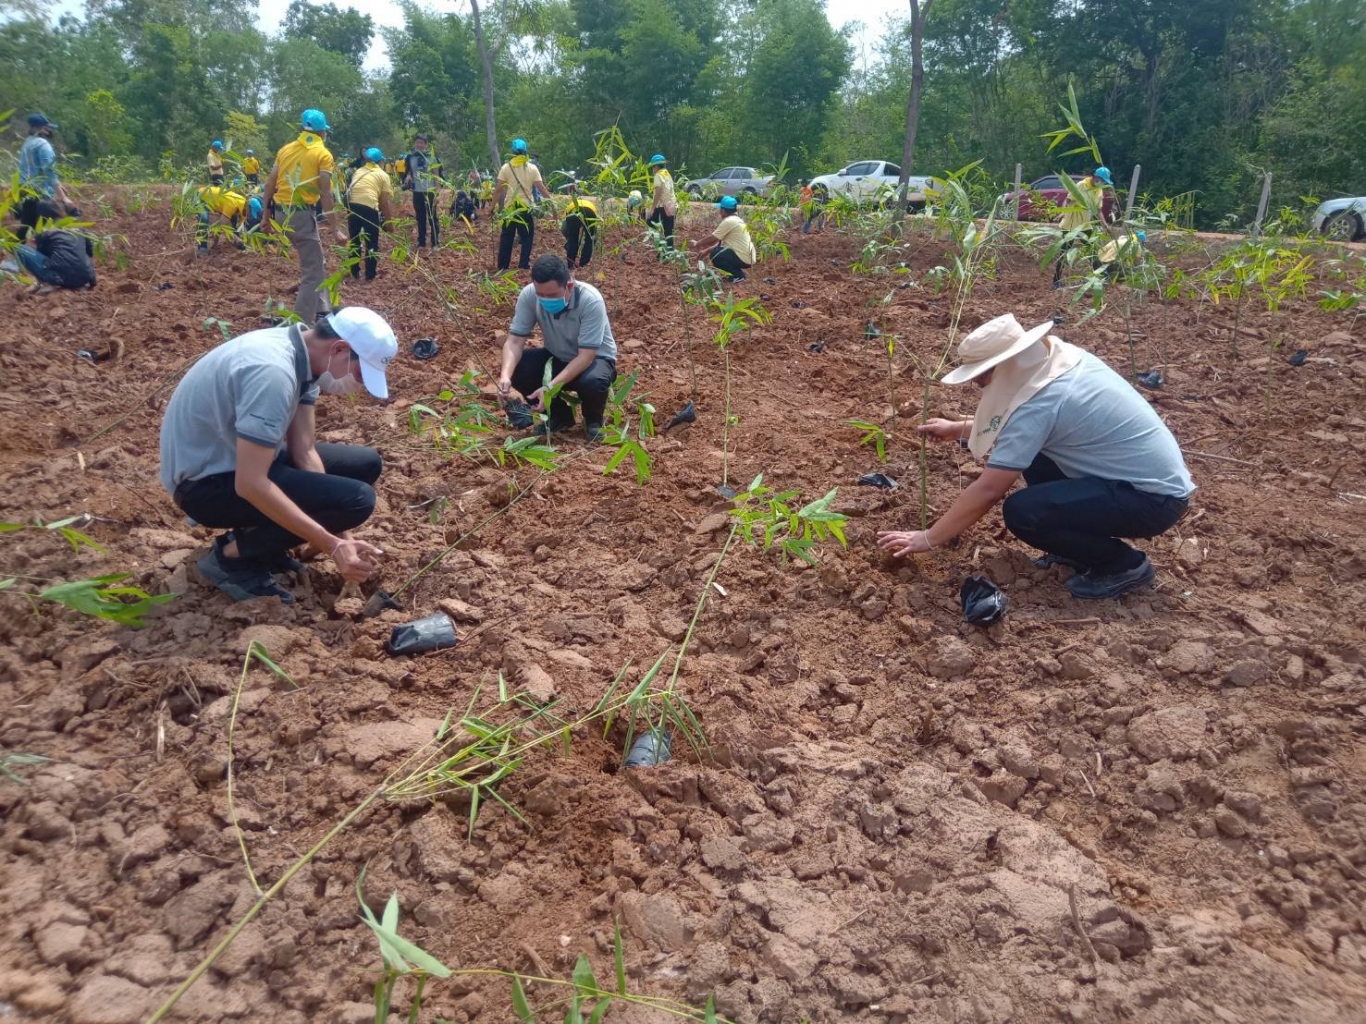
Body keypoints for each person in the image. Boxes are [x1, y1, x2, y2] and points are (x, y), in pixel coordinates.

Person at [876, 313, 1195, 600]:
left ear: (1006, 364)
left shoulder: (1042, 401)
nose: (976, 383)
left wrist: (929, 538)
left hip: (1153, 502)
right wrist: (959, 428)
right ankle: (1075, 550)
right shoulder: (1059, 359)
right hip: (1138, 482)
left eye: (981, 375)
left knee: (1023, 512)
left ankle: (1123, 566)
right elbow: (1031, 426)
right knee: (1037, 457)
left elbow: (990, 489)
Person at [159, 308, 397, 603]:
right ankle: (231, 557)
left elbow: (304, 450)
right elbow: (250, 484)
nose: (358, 384)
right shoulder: (273, 373)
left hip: (233, 462)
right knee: (357, 499)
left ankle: (262, 544)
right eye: (360, 373)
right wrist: (330, 544)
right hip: (203, 484)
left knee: (363, 465)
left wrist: (341, 534)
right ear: (339, 349)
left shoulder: (303, 358)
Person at [497, 254, 617, 442]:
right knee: (518, 368)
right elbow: (513, 342)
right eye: (541, 294)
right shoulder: (529, 295)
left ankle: (593, 421)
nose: (545, 300)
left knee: (594, 381)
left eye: (551, 295)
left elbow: (586, 356)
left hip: (594, 362)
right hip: (558, 357)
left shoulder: (590, 300)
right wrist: (505, 377)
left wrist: (550, 387)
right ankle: (560, 416)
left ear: (568, 286)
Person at [261, 108, 347, 325]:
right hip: (300, 215)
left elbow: (270, 183)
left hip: (281, 213)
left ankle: (324, 311)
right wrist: (335, 227)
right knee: (312, 274)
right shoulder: (323, 154)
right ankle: (298, 325)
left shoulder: (286, 150)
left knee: (317, 262)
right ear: (322, 132)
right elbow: (325, 192)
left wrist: (265, 215)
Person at [14, 199, 96, 293]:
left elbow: (42, 256)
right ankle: (76, 283)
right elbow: (89, 252)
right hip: (85, 278)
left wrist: (32, 241)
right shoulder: (79, 229)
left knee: (20, 248)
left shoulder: (46, 233)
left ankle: (46, 282)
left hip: (59, 278)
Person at [1054, 166, 1112, 288]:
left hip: (1085, 225)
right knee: (1064, 252)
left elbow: (1098, 210)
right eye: (1101, 179)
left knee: (1092, 251)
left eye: (1104, 181)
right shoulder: (1081, 185)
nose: (1101, 182)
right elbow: (1068, 200)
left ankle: (1102, 276)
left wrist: (1105, 225)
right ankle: (1056, 280)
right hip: (1071, 224)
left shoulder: (1099, 190)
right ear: (1095, 176)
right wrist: (1063, 212)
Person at [492, 137, 544, 272]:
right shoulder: (532, 168)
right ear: (526, 151)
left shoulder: (506, 167)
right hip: (525, 206)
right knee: (527, 237)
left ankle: (503, 266)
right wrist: (552, 204)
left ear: (512, 151)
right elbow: (541, 188)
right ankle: (523, 265)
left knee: (507, 236)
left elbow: (498, 190)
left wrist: (491, 207)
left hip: (510, 207)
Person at [17, 113, 71, 241]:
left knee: (26, 227)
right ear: (40, 128)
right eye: (47, 128)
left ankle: (13, 255)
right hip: (41, 194)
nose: (49, 131)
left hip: (26, 192)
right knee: (49, 230)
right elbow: (50, 171)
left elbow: (25, 170)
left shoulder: (27, 144)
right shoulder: (43, 145)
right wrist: (63, 197)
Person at [347, 148, 396, 282]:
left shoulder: (359, 171)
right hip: (369, 207)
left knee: (355, 240)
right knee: (372, 241)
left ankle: (354, 271)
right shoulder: (383, 175)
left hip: (352, 206)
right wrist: (389, 224)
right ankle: (370, 275)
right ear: (380, 161)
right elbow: (384, 203)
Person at [689, 195, 756, 281]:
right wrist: (707, 250)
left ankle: (738, 275)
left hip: (744, 258)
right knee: (717, 251)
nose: (719, 212)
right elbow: (722, 243)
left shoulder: (729, 221)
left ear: (723, 210)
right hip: (748, 257)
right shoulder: (736, 220)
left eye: (720, 209)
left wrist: (696, 243)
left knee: (716, 254)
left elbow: (713, 238)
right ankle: (736, 273)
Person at [404, 134, 441, 250]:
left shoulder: (432, 158)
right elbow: (410, 172)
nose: (419, 145)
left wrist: (437, 193)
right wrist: (408, 178)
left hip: (429, 191)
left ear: (426, 144)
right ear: (415, 144)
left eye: (422, 143)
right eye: (418, 142)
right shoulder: (410, 157)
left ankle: (435, 243)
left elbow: (436, 176)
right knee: (420, 218)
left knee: (432, 217)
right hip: (417, 192)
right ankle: (421, 243)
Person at [195, 186, 251, 254]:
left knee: (234, 219)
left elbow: (238, 223)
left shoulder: (244, 204)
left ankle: (237, 244)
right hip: (201, 197)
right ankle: (202, 247)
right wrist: (235, 238)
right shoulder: (232, 204)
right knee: (204, 220)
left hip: (216, 198)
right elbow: (221, 225)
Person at [561, 183, 599, 268]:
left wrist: (568, 238)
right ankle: (583, 264)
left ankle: (570, 263)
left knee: (573, 238)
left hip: (573, 212)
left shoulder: (570, 205)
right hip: (590, 211)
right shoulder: (590, 203)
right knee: (590, 239)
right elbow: (594, 231)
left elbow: (564, 228)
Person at [647, 154, 677, 248]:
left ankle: (661, 246)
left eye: (653, 167)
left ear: (656, 166)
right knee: (668, 230)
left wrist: (652, 208)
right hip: (671, 204)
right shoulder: (666, 173)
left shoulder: (658, 175)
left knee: (650, 222)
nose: (652, 169)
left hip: (663, 206)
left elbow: (658, 192)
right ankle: (669, 250)